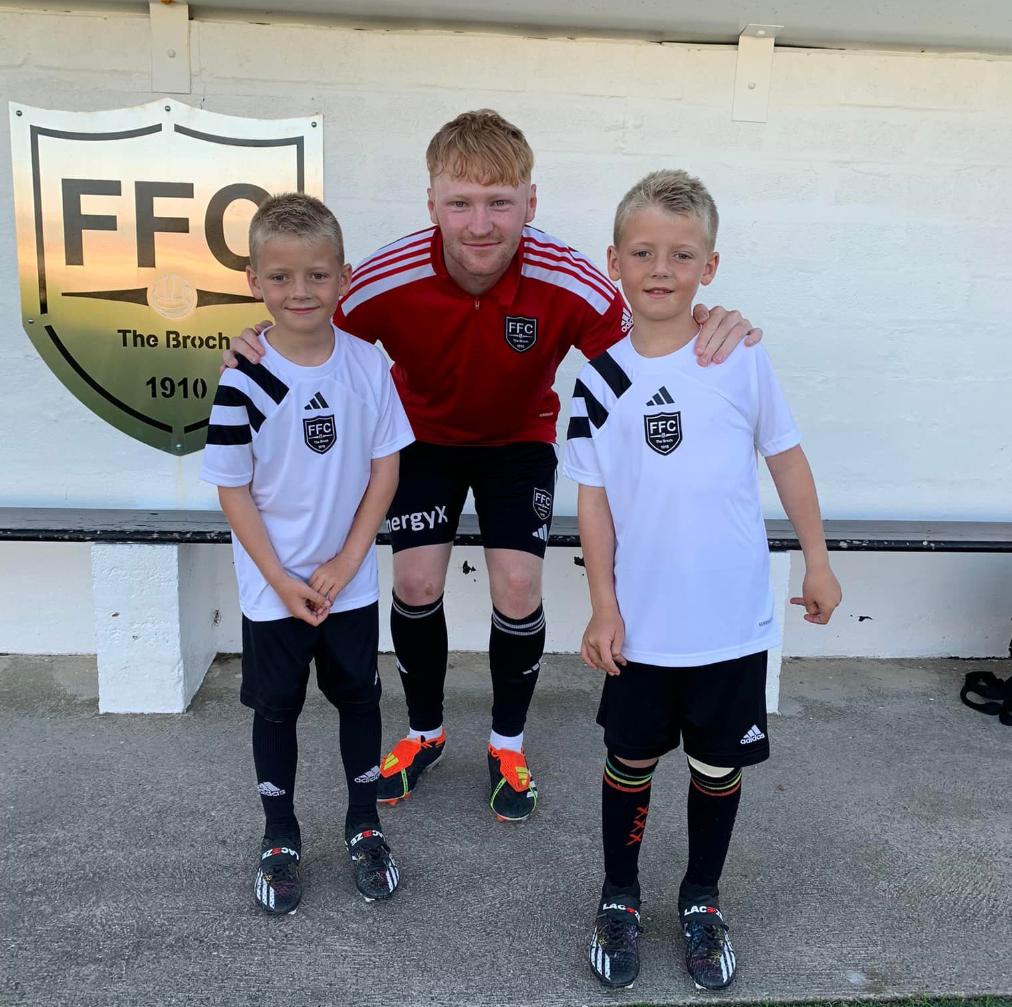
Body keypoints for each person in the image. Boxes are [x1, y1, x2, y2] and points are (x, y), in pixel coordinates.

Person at [224, 110, 763, 823]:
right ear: (432, 205)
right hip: (422, 439)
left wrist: (712, 321)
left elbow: (649, 335)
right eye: (461, 203)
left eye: (499, 203)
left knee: (515, 583)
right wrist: (252, 342)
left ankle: (507, 742)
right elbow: (305, 322)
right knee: (416, 580)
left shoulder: (569, 278)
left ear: (529, 203)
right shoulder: (384, 278)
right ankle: (425, 731)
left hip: (519, 440)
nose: (480, 224)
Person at [563, 170, 841, 990]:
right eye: (643, 252)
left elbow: (786, 458)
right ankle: (619, 895)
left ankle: (701, 897)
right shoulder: (598, 380)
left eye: (682, 254)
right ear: (614, 260)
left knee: (717, 767)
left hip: (728, 622)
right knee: (630, 757)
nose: (662, 268)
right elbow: (593, 501)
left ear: (709, 266)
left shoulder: (738, 355)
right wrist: (603, 605)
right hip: (642, 624)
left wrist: (818, 559)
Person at [201, 193, 414, 914]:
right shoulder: (244, 378)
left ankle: (364, 824)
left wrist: (350, 560)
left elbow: (385, 467)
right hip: (274, 590)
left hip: (346, 583)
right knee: (276, 710)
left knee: (360, 699)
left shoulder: (366, 365)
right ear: (254, 281)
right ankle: (280, 835)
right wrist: (279, 578)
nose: (301, 291)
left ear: (343, 277)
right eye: (281, 276)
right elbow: (233, 488)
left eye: (318, 275)